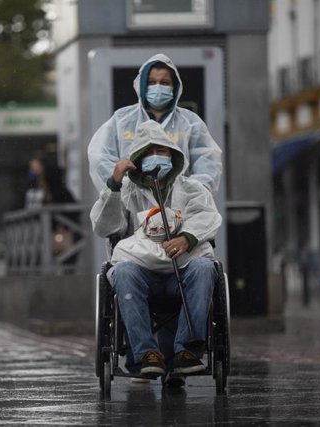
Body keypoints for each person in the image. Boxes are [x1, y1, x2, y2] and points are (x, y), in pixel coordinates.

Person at [90, 120, 222, 382]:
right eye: (148, 153)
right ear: (137, 160)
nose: (156, 158)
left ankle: (185, 351)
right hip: (141, 274)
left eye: (161, 151)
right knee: (123, 271)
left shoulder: (192, 189)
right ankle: (147, 354)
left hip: (181, 270)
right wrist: (114, 184)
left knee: (205, 268)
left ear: (173, 156)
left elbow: (208, 217)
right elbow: (105, 226)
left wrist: (187, 238)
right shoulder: (126, 191)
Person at [88, 52, 222, 196]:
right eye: (151, 82)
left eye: (164, 83)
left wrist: (186, 194)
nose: (157, 87)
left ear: (174, 86)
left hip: (180, 210)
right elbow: (99, 159)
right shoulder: (122, 120)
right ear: (142, 85)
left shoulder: (190, 122)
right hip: (131, 206)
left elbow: (208, 163)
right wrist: (128, 190)